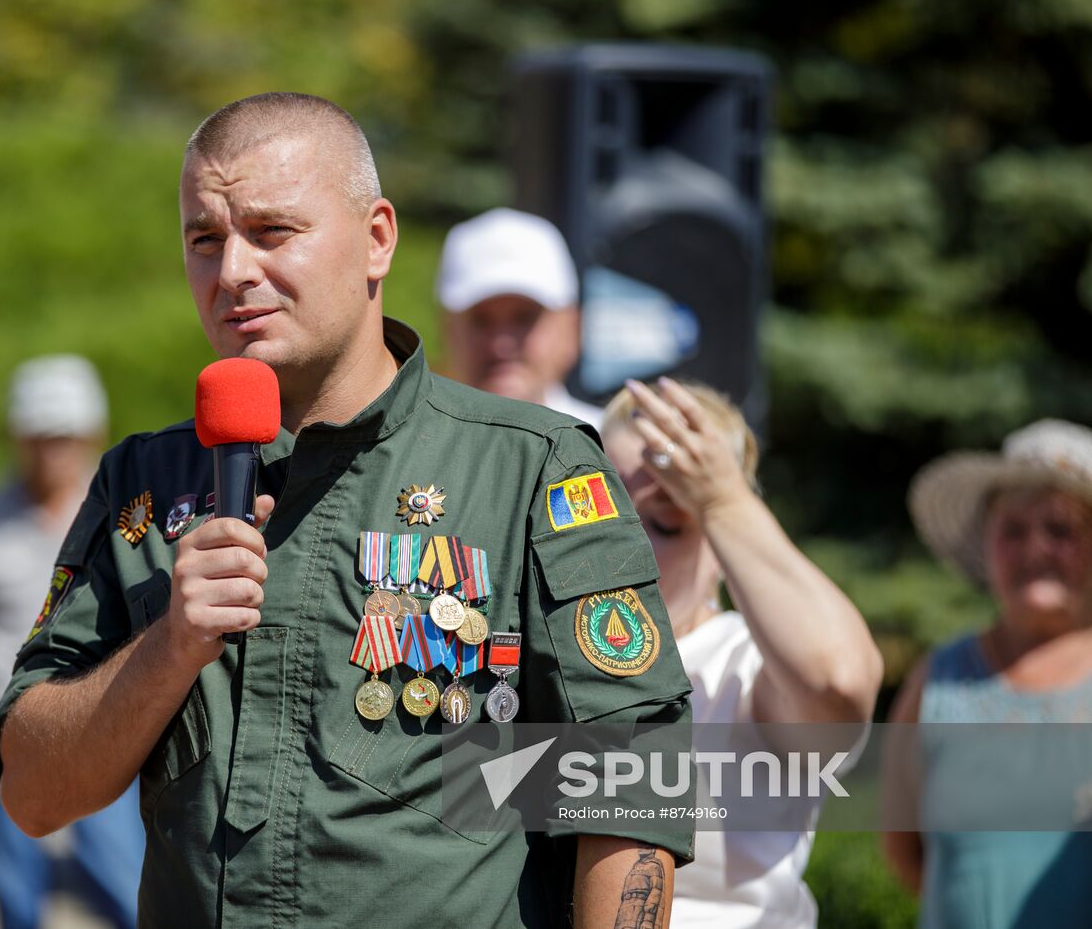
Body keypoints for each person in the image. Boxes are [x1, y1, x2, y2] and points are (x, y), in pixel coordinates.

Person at [0, 92, 695, 929]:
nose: (234, 270)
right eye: (204, 240)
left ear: (377, 238)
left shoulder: (528, 467)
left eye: (273, 232)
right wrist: (169, 645)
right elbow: (31, 794)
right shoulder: (144, 484)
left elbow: (628, 782)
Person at [600, 377, 883, 928]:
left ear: (726, 543)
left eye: (665, 518)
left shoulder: (743, 664)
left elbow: (838, 681)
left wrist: (722, 499)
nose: (623, 543)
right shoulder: (534, 652)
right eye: (603, 509)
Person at [0, 355, 144, 929]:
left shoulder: (121, 518)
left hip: (97, 717)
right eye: (41, 437)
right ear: (18, 438)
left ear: (89, 436)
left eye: (64, 437)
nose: (53, 450)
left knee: (127, 880)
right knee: (13, 886)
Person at [883, 419, 1092, 927]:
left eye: (1060, 530)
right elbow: (904, 853)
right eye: (1013, 530)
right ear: (987, 544)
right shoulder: (939, 680)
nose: (1035, 549)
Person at [437, 207, 604, 428]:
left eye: (525, 319)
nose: (501, 345)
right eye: (481, 320)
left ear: (571, 328)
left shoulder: (614, 453)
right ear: (449, 331)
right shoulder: (409, 454)